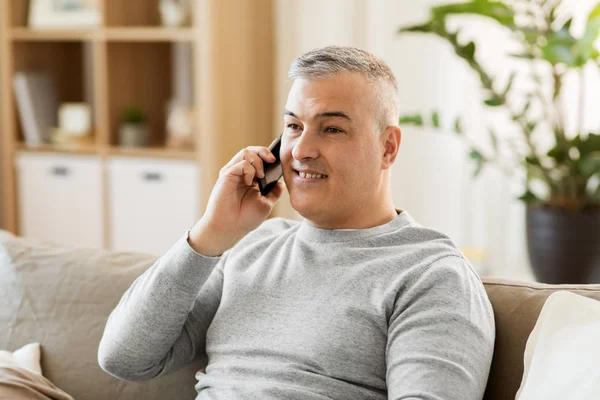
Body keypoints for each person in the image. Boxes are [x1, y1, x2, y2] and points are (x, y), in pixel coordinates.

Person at [98, 46, 495, 400]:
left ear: (387, 147)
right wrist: (209, 235)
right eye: (293, 126)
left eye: (332, 129)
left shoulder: (432, 274)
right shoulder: (253, 246)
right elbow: (124, 358)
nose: (301, 150)